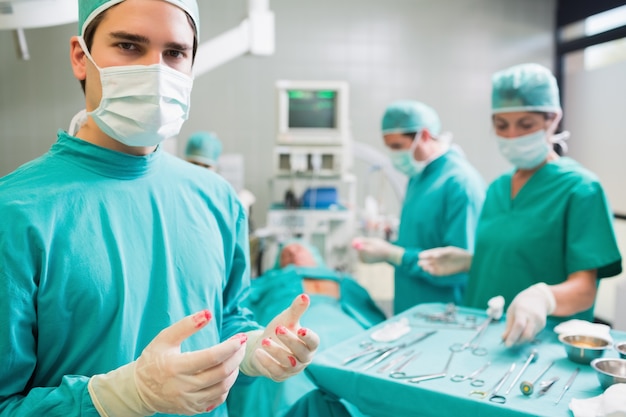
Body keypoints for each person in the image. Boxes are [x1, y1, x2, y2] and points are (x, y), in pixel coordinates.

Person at [0, 1, 319, 416]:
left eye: (175, 53)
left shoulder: (217, 200)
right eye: (130, 46)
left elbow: (228, 319)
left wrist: (256, 348)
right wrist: (120, 396)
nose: (156, 71)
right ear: (81, 57)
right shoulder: (17, 211)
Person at [418, 63, 622, 347]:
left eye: (526, 125)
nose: (512, 135)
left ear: (552, 120)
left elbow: (584, 290)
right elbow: (521, 257)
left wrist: (544, 297)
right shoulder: (498, 187)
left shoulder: (580, 189)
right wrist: (472, 262)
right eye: (502, 126)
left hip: (540, 344)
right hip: (479, 333)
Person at [352, 100, 486, 314]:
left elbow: (459, 269)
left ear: (423, 136)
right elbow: (420, 242)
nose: (393, 155)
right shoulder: (418, 179)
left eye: (397, 146)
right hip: (412, 311)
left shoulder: (460, 184)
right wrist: (387, 249)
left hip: (447, 316)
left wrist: (394, 255)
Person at [227, 240, 386, 417]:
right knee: (285, 369)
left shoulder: (344, 281)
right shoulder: (267, 281)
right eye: (286, 254)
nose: (294, 255)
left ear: (316, 257)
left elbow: (370, 314)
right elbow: (236, 312)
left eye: (300, 250)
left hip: (345, 326)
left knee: (366, 363)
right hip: (288, 329)